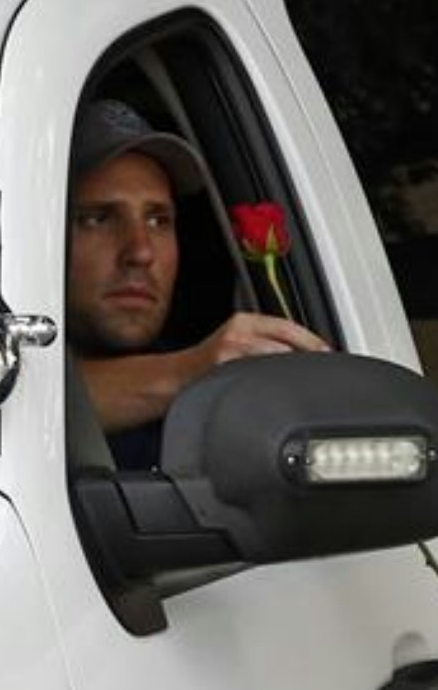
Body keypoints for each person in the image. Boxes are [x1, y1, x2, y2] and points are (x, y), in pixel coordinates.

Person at [67, 99, 328, 468]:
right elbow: (11, 403)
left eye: (159, 221)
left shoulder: (225, 382)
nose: (140, 252)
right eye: (97, 218)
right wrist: (189, 373)